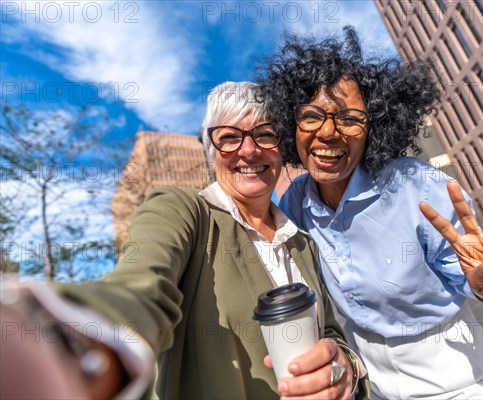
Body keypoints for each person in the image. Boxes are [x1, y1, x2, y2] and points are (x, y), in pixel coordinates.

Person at [0, 82, 367, 400]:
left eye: (265, 134)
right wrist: (72, 338)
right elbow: (143, 285)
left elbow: (334, 331)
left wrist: (345, 370)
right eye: (229, 138)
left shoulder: (303, 241)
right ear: (211, 155)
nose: (249, 150)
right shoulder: (183, 211)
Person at [257, 27, 483, 399]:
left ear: (374, 128)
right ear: (292, 125)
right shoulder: (295, 203)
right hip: (370, 386)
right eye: (312, 116)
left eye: (350, 118)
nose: (329, 132)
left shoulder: (419, 186)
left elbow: (478, 279)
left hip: (458, 384)